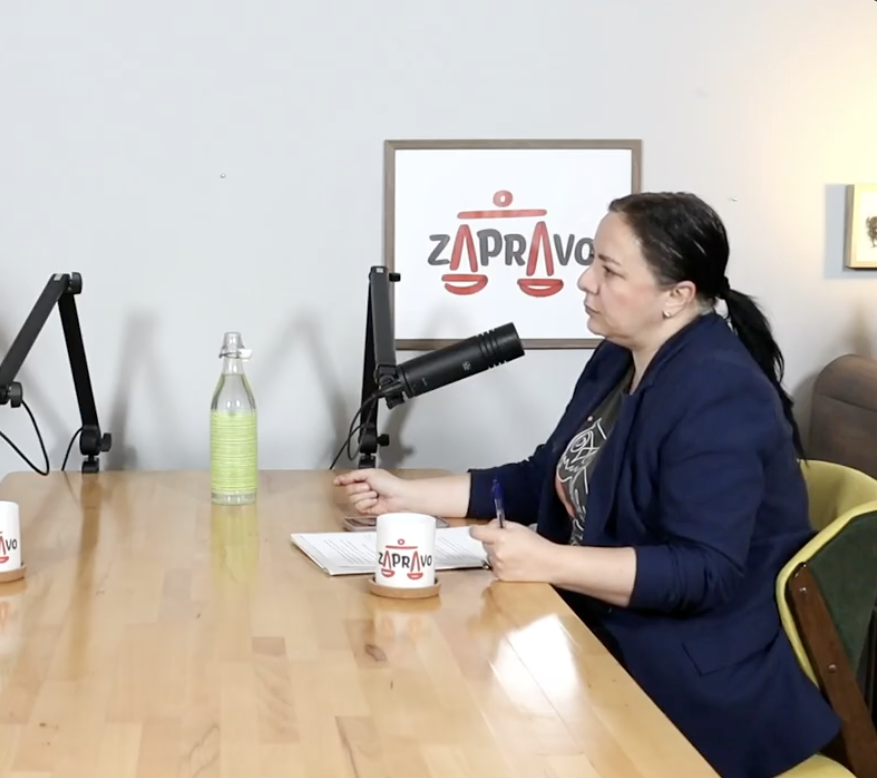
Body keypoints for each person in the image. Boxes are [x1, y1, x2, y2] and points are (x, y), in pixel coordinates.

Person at [334, 192, 840, 778]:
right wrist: (410, 496)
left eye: (609, 270)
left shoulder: (720, 394)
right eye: (591, 260)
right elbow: (543, 478)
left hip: (690, 684)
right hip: (593, 633)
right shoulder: (617, 357)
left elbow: (703, 571)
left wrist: (548, 561)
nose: (585, 281)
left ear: (677, 296)